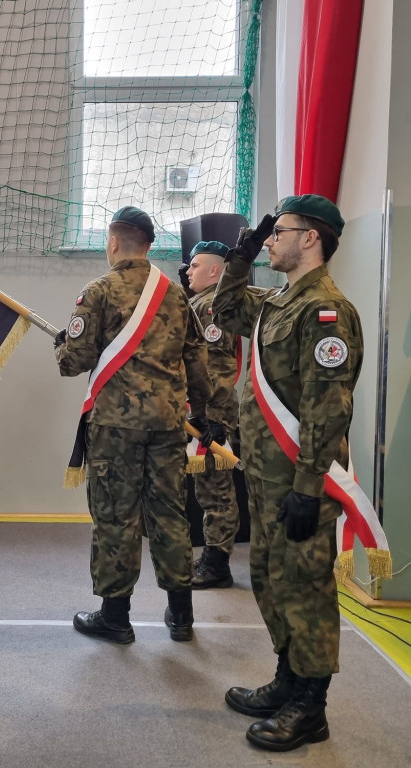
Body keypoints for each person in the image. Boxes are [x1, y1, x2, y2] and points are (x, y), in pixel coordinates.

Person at [210, 195, 363, 751]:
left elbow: (327, 407)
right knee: (270, 578)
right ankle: (288, 680)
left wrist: (307, 488)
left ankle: (310, 707)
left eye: (279, 232)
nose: (270, 240)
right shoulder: (278, 302)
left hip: (301, 481)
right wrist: (241, 258)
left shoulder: (327, 312)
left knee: (305, 586)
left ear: (311, 238)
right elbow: (224, 312)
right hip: (266, 476)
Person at [55, 206, 212, 644]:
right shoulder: (176, 295)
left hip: (115, 428)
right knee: (170, 515)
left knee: (115, 516)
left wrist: (62, 345)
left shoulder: (98, 291)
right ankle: (181, 616)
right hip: (167, 424)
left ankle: (115, 618)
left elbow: (73, 362)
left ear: (113, 242)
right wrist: (201, 411)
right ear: (148, 245)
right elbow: (198, 360)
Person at [184, 240, 240, 589]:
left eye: (195, 265)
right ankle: (212, 555)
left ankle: (218, 564)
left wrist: (213, 416)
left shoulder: (211, 307)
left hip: (211, 414)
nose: (188, 271)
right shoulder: (200, 303)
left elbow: (216, 366)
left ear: (215, 270)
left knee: (216, 491)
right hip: (202, 410)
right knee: (207, 489)